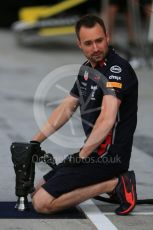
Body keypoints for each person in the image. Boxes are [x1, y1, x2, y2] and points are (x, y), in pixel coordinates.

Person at [31, 14, 138, 215]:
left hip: (109, 157)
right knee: (36, 190)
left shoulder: (117, 70)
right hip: (92, 153)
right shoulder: (87, 70)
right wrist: (34, 143)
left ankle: (114, 184)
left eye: (99, 40)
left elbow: (107, 120)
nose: (95, 48)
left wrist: (81, 157)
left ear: (107, 36)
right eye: (88, 43)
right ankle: (109, 183)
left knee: (42, 203)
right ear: (79, 44)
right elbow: (66, 108)